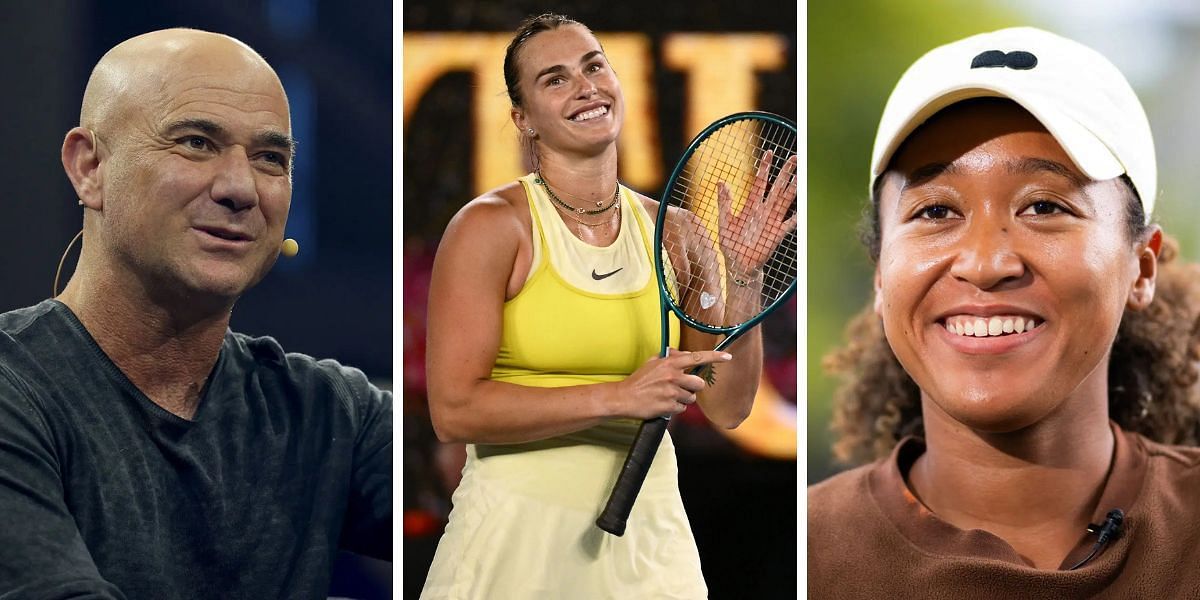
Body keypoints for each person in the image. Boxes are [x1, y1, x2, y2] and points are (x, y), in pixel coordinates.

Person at [808, 26, 1200, 598]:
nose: (986, 262)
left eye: (1044, 205)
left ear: (1142, 268)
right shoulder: (814, 552)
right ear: (880, 277)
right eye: (936, 210)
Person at [0, 29, 391, 599]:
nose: (240, 188)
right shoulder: (16, 391)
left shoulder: (328, 414)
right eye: (195, 143)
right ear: (89, 166)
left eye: (270, 158)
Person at [421, 12, 795, 598]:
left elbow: (728, 407)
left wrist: (744, 278)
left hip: (649, 550)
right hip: (516, 550)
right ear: (524, 120)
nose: (586, 86)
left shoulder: (676, 232)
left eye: (594, 65)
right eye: (555, 79)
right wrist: (620, 397)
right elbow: (454, 410)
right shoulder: (490, 228)